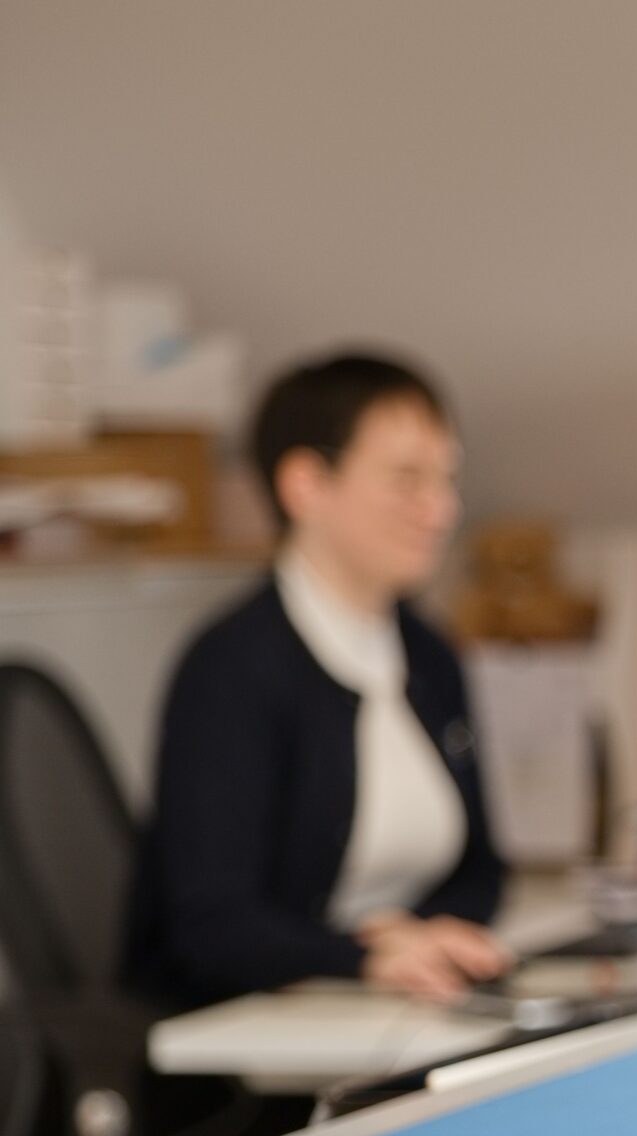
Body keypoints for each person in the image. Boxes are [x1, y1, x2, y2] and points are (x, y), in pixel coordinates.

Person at [128, 351, 514, 1006]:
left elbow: (482, 867)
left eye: (446, 480)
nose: (441, 509)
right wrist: (366, 956)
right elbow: (212, 923)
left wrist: (424, 936)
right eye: (407, 479)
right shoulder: (232, 669)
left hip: (394, 1008)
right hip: (250, 1030)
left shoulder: (429, 654)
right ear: (305, 485)